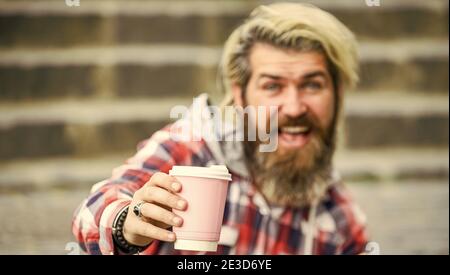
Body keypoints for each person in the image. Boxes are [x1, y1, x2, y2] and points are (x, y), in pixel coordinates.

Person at [72, 2, 368, 255]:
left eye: (312, 84)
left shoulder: (341, 222)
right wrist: (128, 223)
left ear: (338, 94)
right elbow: (92, 212)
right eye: (272, 86)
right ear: (240, 96)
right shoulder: (192, 147)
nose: (293, 107)